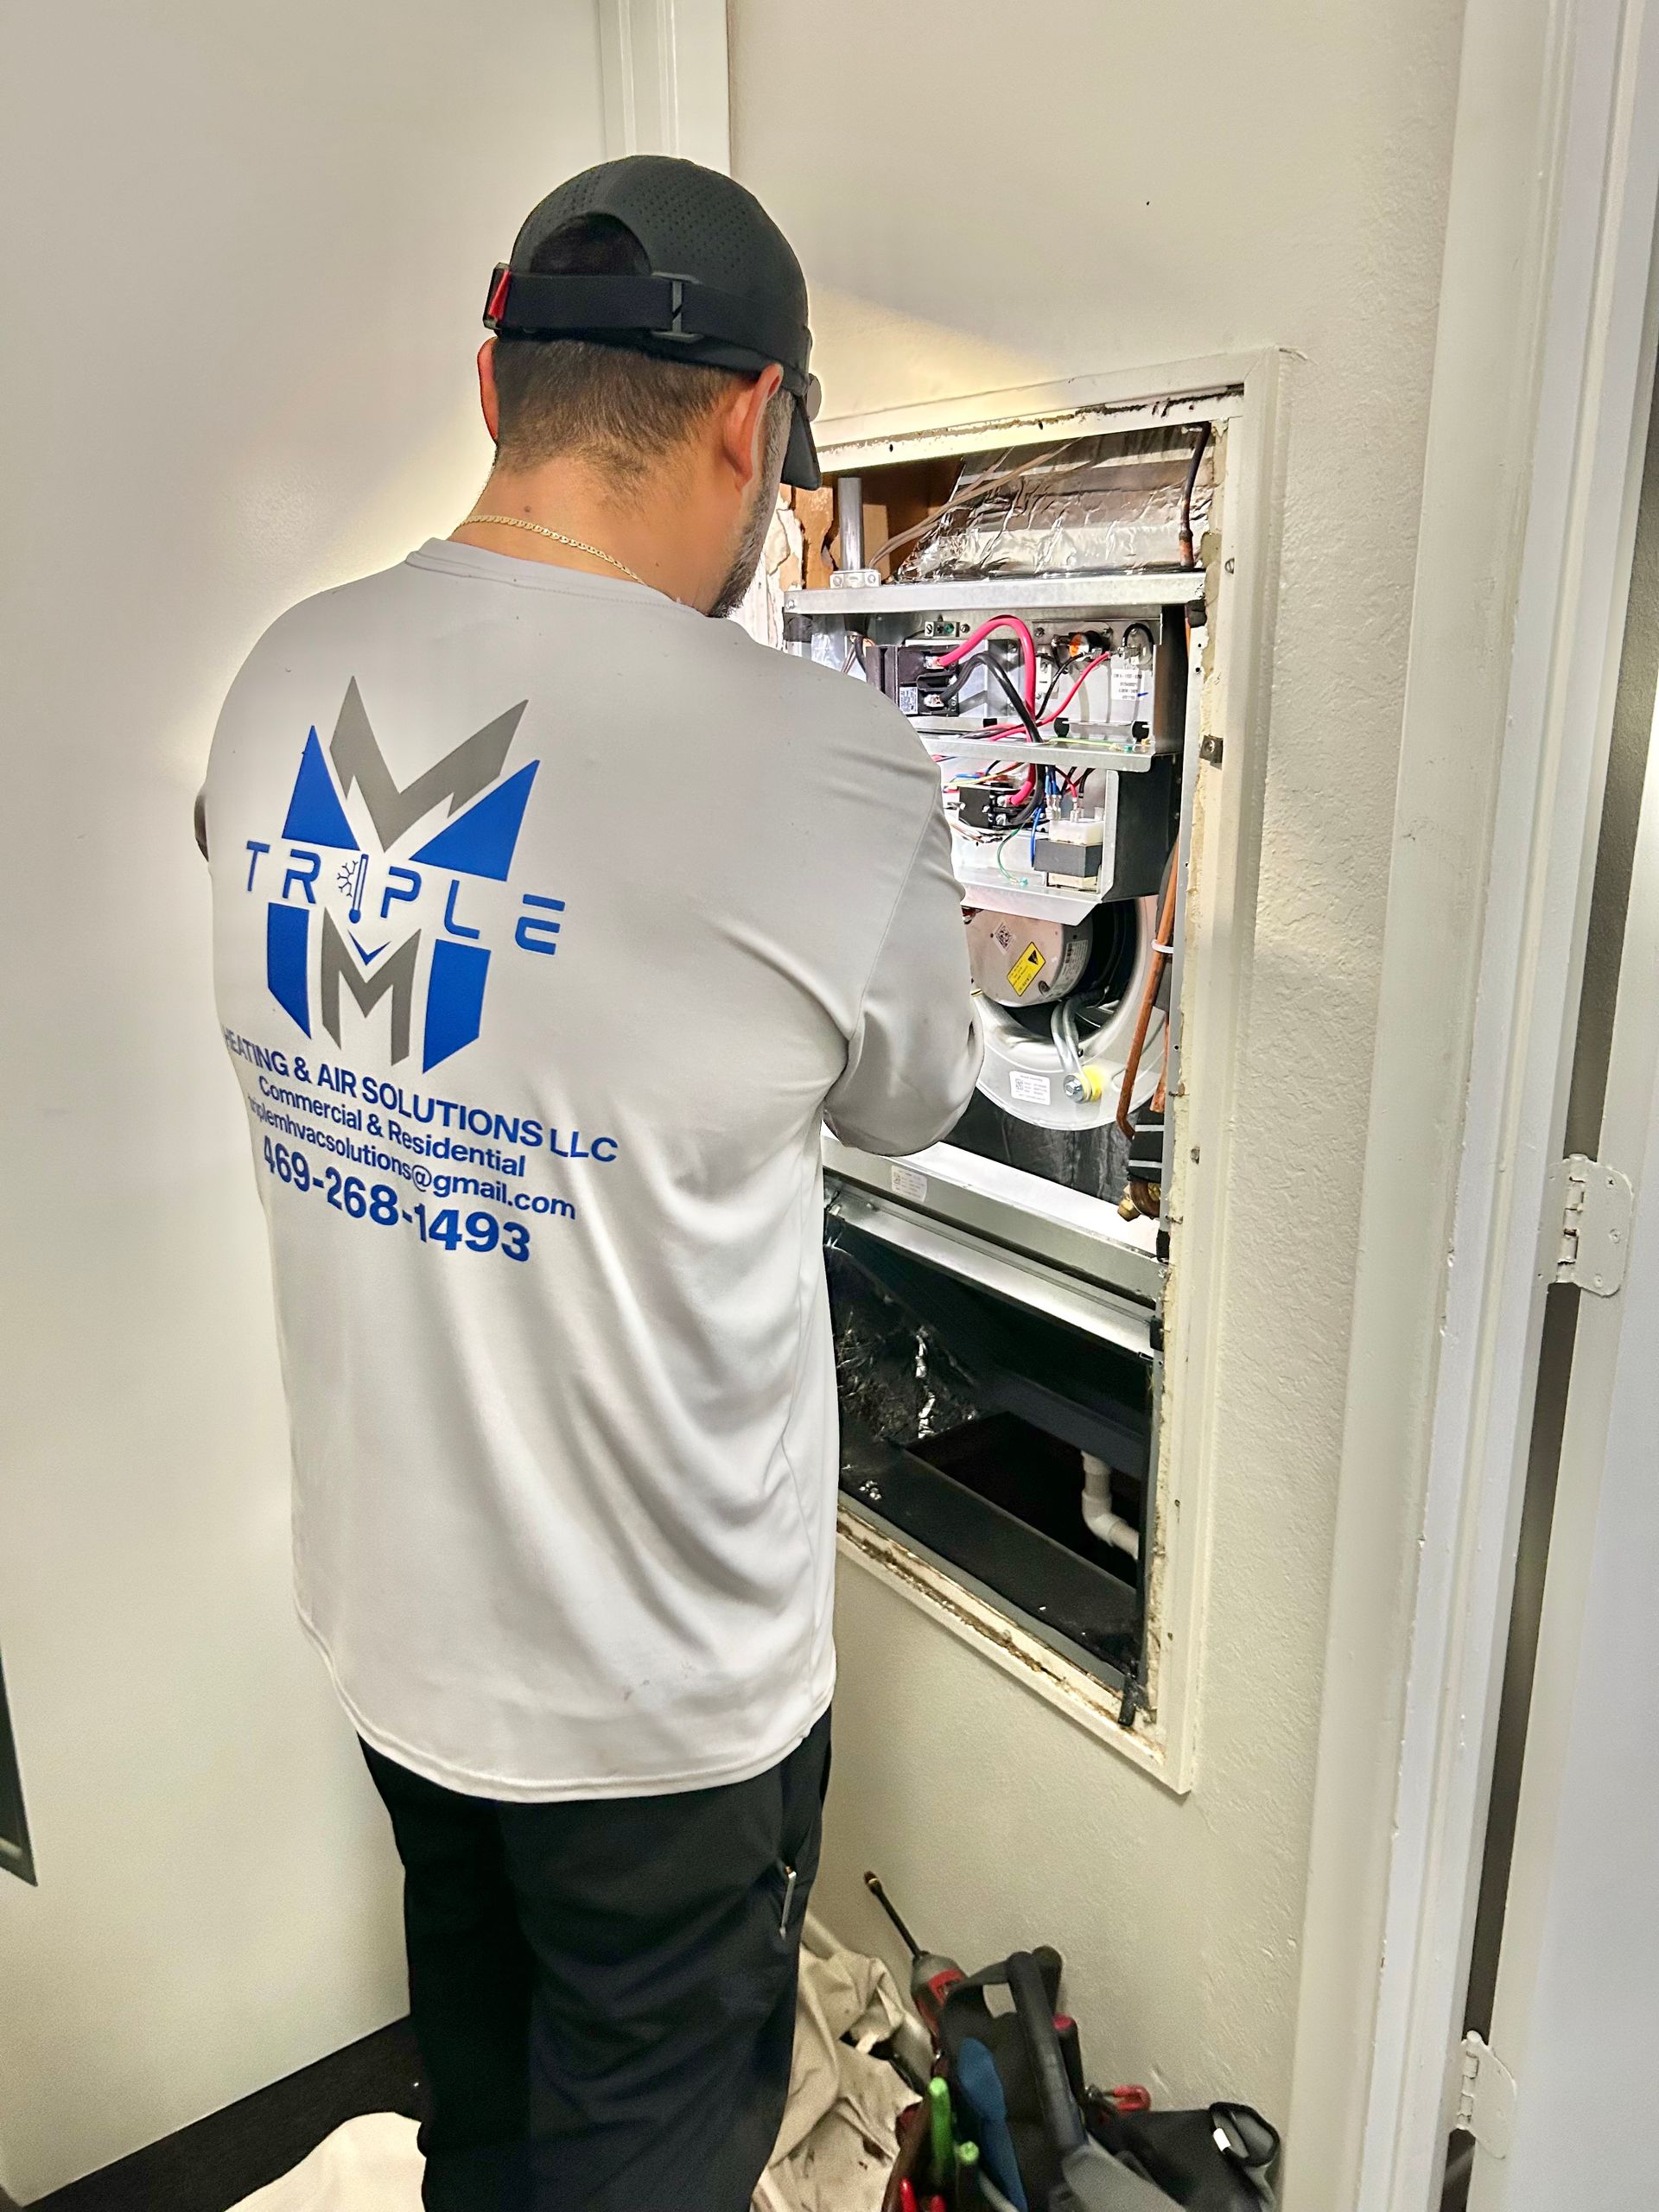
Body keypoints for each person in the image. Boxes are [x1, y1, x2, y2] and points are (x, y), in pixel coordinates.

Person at [200, 155, 980, 2211]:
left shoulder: (286, 673)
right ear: (754, 420)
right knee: (648, 2134)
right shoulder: (828, 766)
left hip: (394, 1619)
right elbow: (911, 1096)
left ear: (493, 379)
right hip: (658, 1693)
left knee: (485, 2067)